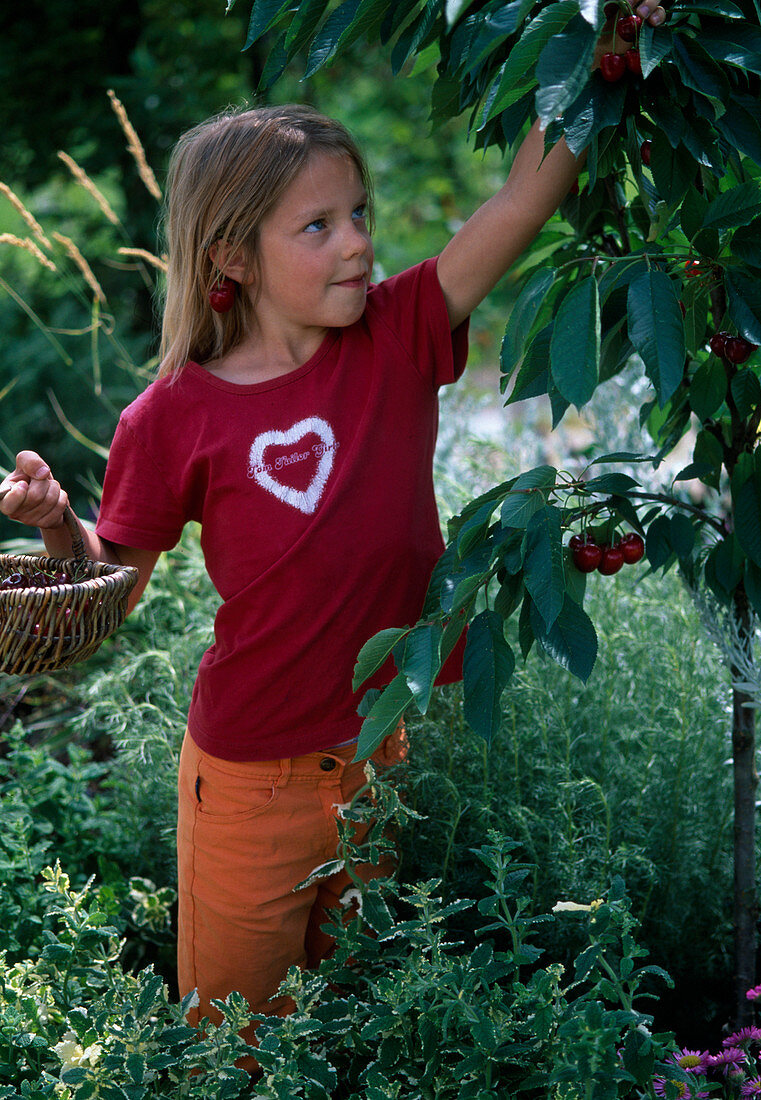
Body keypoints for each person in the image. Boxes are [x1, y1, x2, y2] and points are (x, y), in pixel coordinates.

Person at [0, 0, 666, 1060]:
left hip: (375, 752)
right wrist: (55, 530)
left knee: (359, 1021)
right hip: (248, 778)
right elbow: (105, 592)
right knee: (239, 1046)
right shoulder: (171, 416)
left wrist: (597, 39)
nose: (358, 241)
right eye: (317, 226)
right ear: (233, 254)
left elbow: (526, 190)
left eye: (359, 211)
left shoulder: (398, 333)